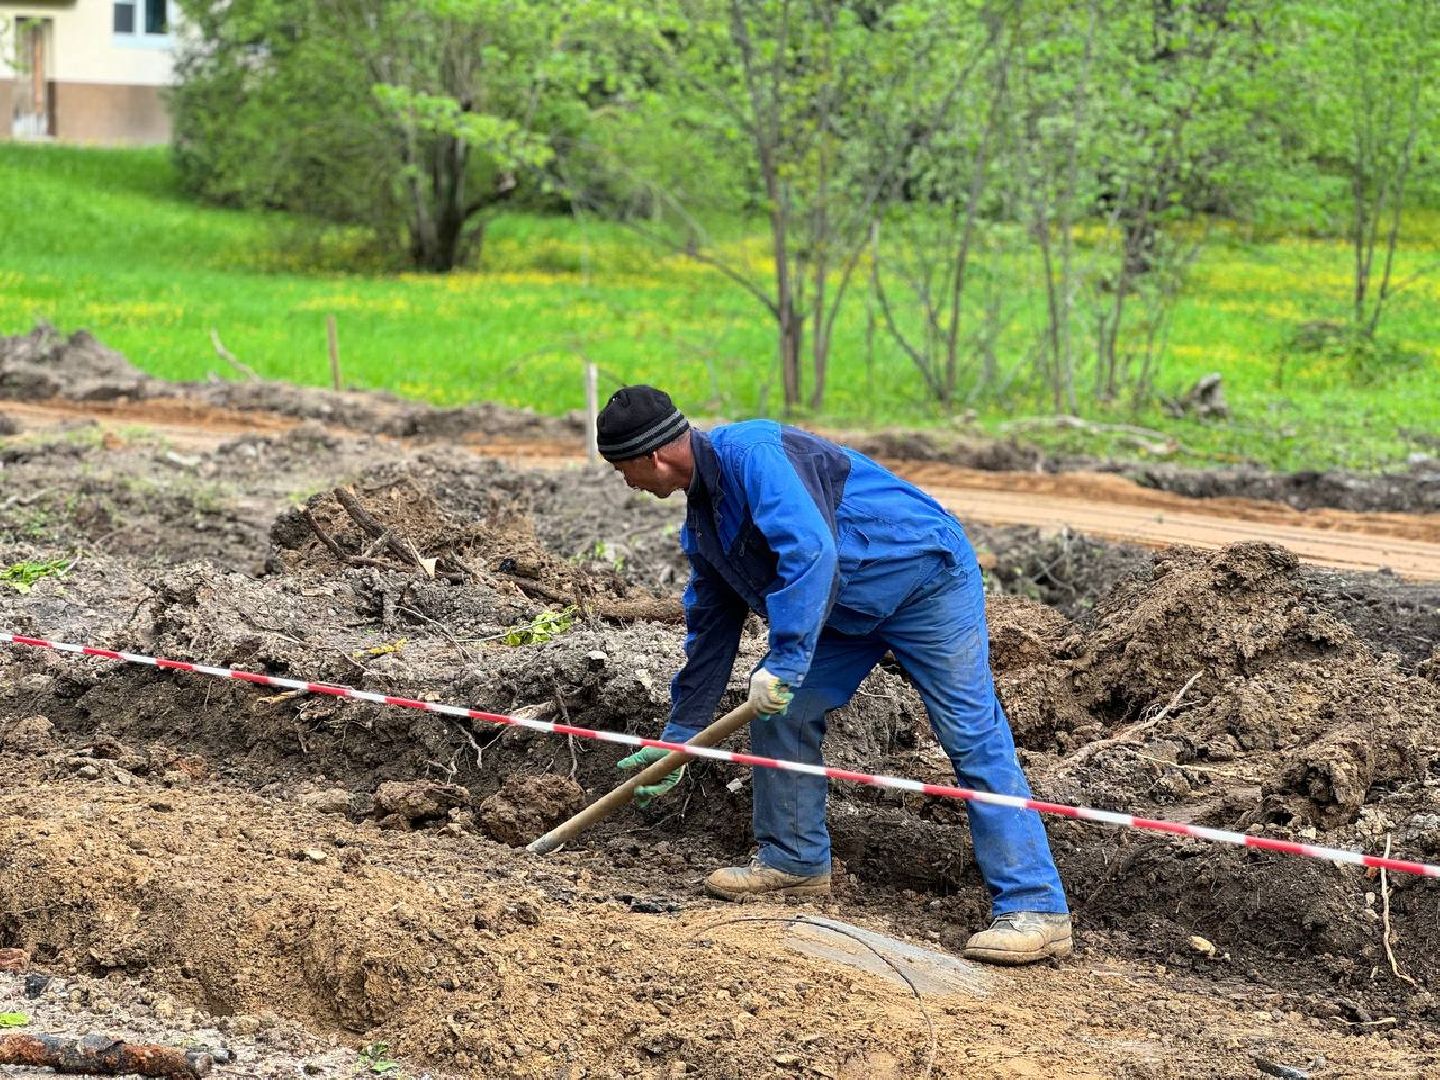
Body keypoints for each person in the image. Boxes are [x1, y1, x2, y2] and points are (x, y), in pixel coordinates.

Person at [597, 385, 1071, 965]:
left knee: (970, 735)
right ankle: (793, 861)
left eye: (622, 469)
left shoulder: (756, 454)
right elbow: (711, 628)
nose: (626, 483)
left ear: (652, 457)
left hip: (923, 583)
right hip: (842, 611)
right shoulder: (703, 526)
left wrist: (788, 660)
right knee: (785, 712)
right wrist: (680, 734)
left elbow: (810, 553)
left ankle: (1035, 907)